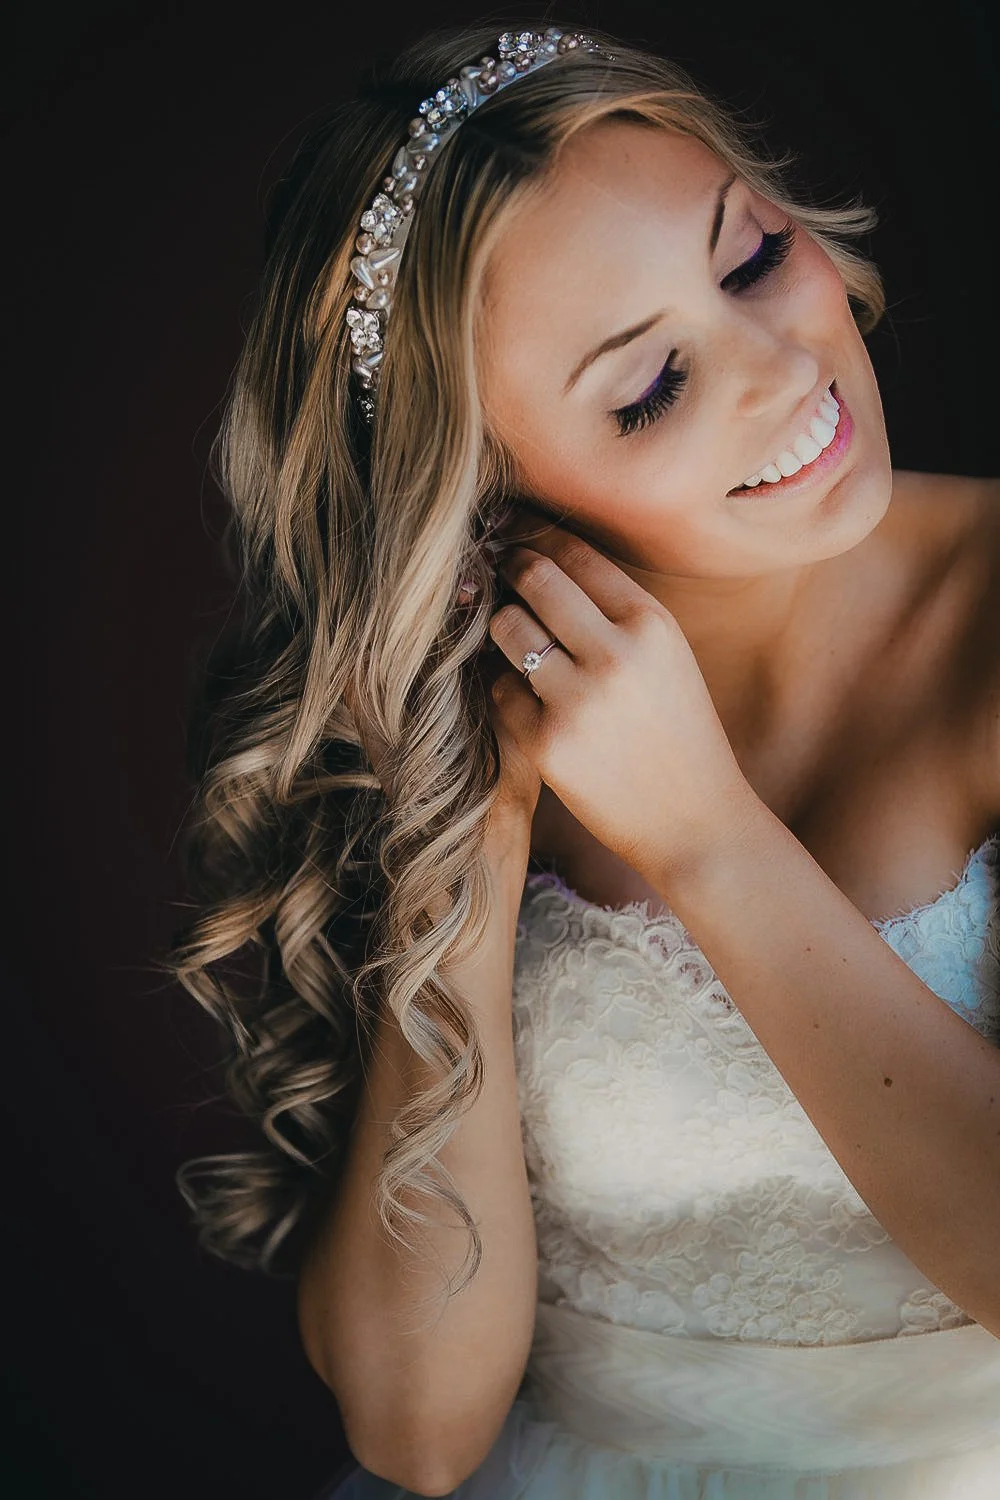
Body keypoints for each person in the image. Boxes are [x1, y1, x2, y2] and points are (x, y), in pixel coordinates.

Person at [163, 19, 1000, 1498]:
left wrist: (708, 843)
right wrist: (472, 830)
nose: (782, 365)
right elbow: (417, 1435)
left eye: (752, 258)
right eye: (651, 386)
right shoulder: (464, 732)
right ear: (481, 489)